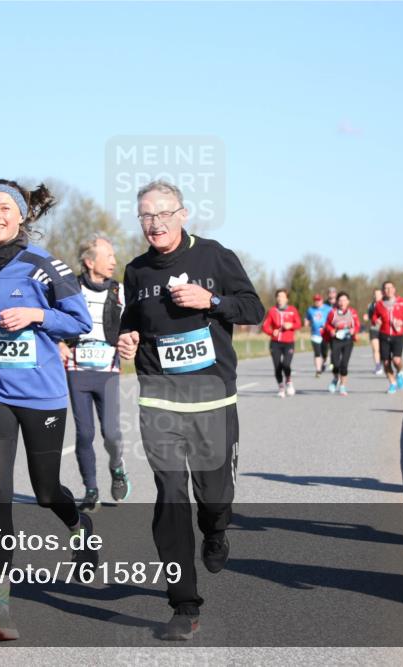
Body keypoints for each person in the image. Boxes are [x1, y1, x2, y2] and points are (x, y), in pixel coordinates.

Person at [0, 179, 95, 641]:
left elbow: (81, 322)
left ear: (20, 215)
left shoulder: (43, 265)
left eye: (2, 208)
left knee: (46, 490)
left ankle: (79, 526)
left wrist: (36, 316)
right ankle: (0, 607)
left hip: (42, 395)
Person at [116, 180, 263, 640]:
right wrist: (125, 338)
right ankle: (184, 605)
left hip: (213, 397)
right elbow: (131, 323)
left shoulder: (215, 256)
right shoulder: (135, 271)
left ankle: (216, 530)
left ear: (182, 214)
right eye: (145, 215)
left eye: (162, 213)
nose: (154, 223)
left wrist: (212, 301)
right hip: (159, 397)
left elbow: (253, 309)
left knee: (213, 498)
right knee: (170, 496)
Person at [59, 234, 131, 513]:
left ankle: (117, 467)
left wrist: (130, 340)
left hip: (108, 370)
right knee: (84, 433)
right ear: (90, 261)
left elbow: (130, 324)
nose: (114, 261)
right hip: (77, 370)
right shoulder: (70, 289)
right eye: (108, 256)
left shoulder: (119, 291)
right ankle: (90, 489)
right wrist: (58, 344)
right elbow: (52, 320)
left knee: (111, 433)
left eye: (114, 256)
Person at [371, 281, 403, 394]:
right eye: (385, 288)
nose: (388, 290)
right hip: (384, 335)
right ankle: (392, 383)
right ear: (383, 291)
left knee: (396, 360)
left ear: (394, 289)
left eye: (390, 288)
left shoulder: (402, 302)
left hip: (397, 335)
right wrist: (376, 320)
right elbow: (374, 316)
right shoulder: (379, 304)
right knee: (385, 362)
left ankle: (400, 372)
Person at [261, 288, 301, 397]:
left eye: (283, 296)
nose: (280, 299)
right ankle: (281, 387)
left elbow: (299, 323)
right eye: (278, 296)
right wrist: (271, 332)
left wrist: (291, 325)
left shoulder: (292, 310)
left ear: (287, 298)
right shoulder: (272, 311)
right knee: (277, 366)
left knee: (286, 365)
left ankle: (288, 381)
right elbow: (264, 326)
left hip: (289, 342)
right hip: (275, 343)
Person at [323, 291, 360, 396]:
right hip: (336, 340)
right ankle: (335, 378)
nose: (342, 302)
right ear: (337, 302)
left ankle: (343, 386)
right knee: (335, 363)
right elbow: (327, 325)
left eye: (344, 300)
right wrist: (331, 330)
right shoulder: (332, 312)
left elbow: (357, 325)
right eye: (340, 300)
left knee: (344, 364)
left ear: (348, 301)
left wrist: (354, 330)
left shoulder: (352, 312)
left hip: (348, 340)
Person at [305, 294, 332, 378]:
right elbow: (307, 318)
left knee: (324, 353)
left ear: (322, 300)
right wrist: (306, 322)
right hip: (315, 334)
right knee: (317, 353)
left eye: (319, 300)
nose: (317, 302)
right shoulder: (310, 310)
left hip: (325, 334)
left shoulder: (328, 309)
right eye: (315, 300)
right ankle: (318, 370)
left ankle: (324, 362)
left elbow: (333, 318)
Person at [364, 288, 385, 374]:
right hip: (374, 328)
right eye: (375, 294)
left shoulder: (386, 304)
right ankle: (378, 366)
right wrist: (366, 317)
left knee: (383, 349)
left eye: (378, 294)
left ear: (382, 295)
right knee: (375, 349)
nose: (376, 296)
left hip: (384, 329)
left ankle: (384, 363)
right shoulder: (370, 306)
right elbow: (369, 316)